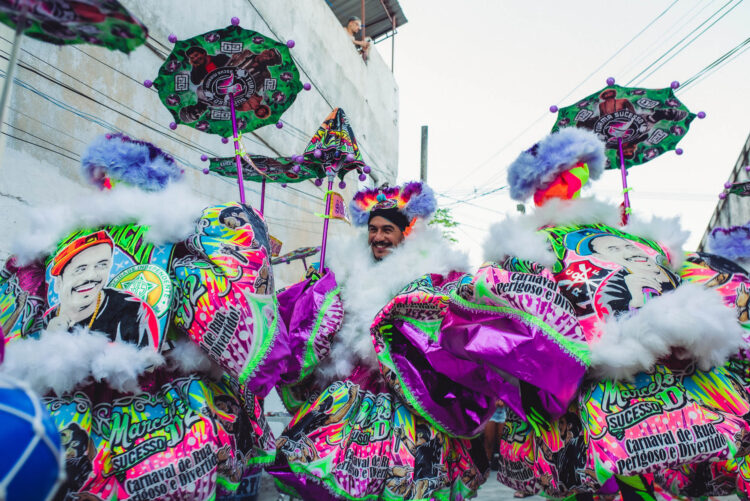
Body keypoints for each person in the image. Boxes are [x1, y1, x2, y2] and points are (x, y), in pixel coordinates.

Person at [266, 181, 589, 500]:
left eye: (387, 230)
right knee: (350, 475)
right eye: (373, 229)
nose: (378, 237)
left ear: (405, 232)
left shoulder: (431, 273)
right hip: (359, 392)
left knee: (410, 480)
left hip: (420, 395)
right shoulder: (348, 272)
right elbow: (318, 323)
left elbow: (453, 320)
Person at [45, 230, 159, 348]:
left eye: (101, 265)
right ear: (58, 283)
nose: (91, 276)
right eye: (80, 269)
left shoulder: (132, 310)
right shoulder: (47, 320)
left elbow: (149, 363)